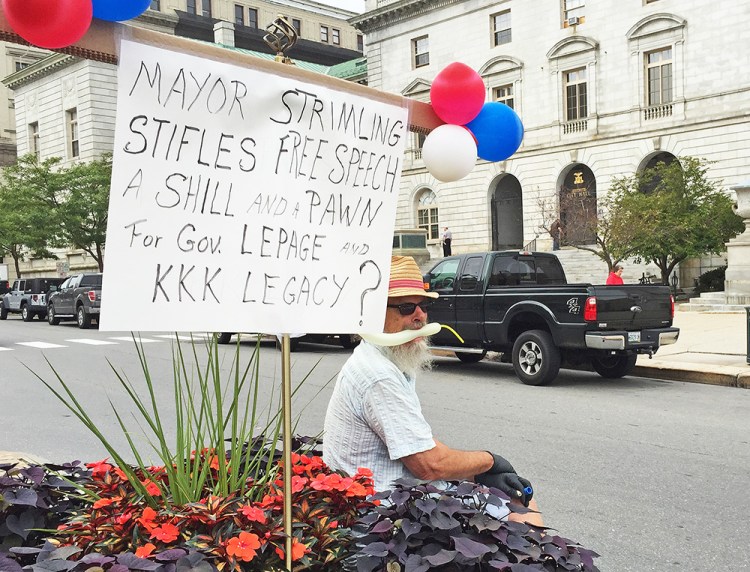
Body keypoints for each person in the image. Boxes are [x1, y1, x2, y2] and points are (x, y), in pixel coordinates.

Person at [323, 255, 542, 525]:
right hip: (384, 512)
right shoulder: (378, 375)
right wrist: (491, 461)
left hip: (397, 495)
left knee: (511, 492)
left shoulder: (386, 359)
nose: (420, 316)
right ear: (375, 314)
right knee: (519, 509)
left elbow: (421, 443)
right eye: (406, 307)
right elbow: (429, 466)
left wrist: (478, 473)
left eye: (424, 305)